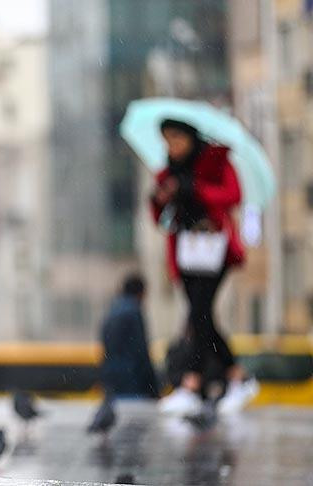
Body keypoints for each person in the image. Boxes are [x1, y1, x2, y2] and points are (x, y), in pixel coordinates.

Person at [149, 119, 257, 415]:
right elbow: (159, 217)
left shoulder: (216, 162)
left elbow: (233, 195)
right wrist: (160, 197)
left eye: (176, 138)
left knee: (199, 313)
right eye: (167, 140)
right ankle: (237, 377)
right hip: (185, 253)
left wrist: (196, 188)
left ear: (190, 137)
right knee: (202, 316)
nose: (172, 146)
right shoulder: (167, 173)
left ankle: (192, 384)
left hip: (214, 250)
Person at [99, 273, 159, 399]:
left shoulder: (112, 310)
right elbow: (141, 351)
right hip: (132, 381)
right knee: (134, 416)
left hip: (112, 380)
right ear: (141, 293)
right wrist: (153, 386)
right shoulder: (133, 312)